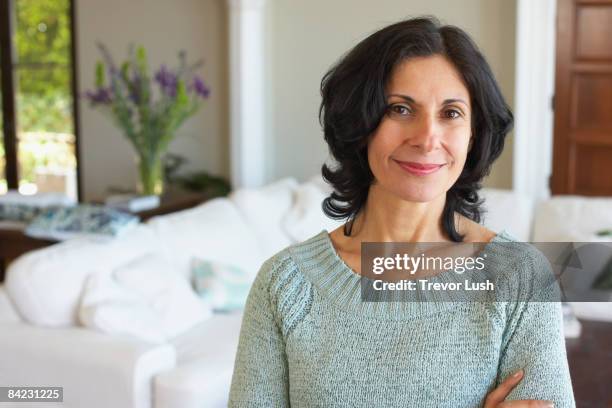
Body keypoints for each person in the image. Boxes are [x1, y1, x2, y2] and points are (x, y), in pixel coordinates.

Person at [228, 16, 575, 407]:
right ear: (361, 124)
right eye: (400, 109)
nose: (427, 138)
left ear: (474, 133)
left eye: (452, 113)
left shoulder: (521, 279)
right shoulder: (284, 285)